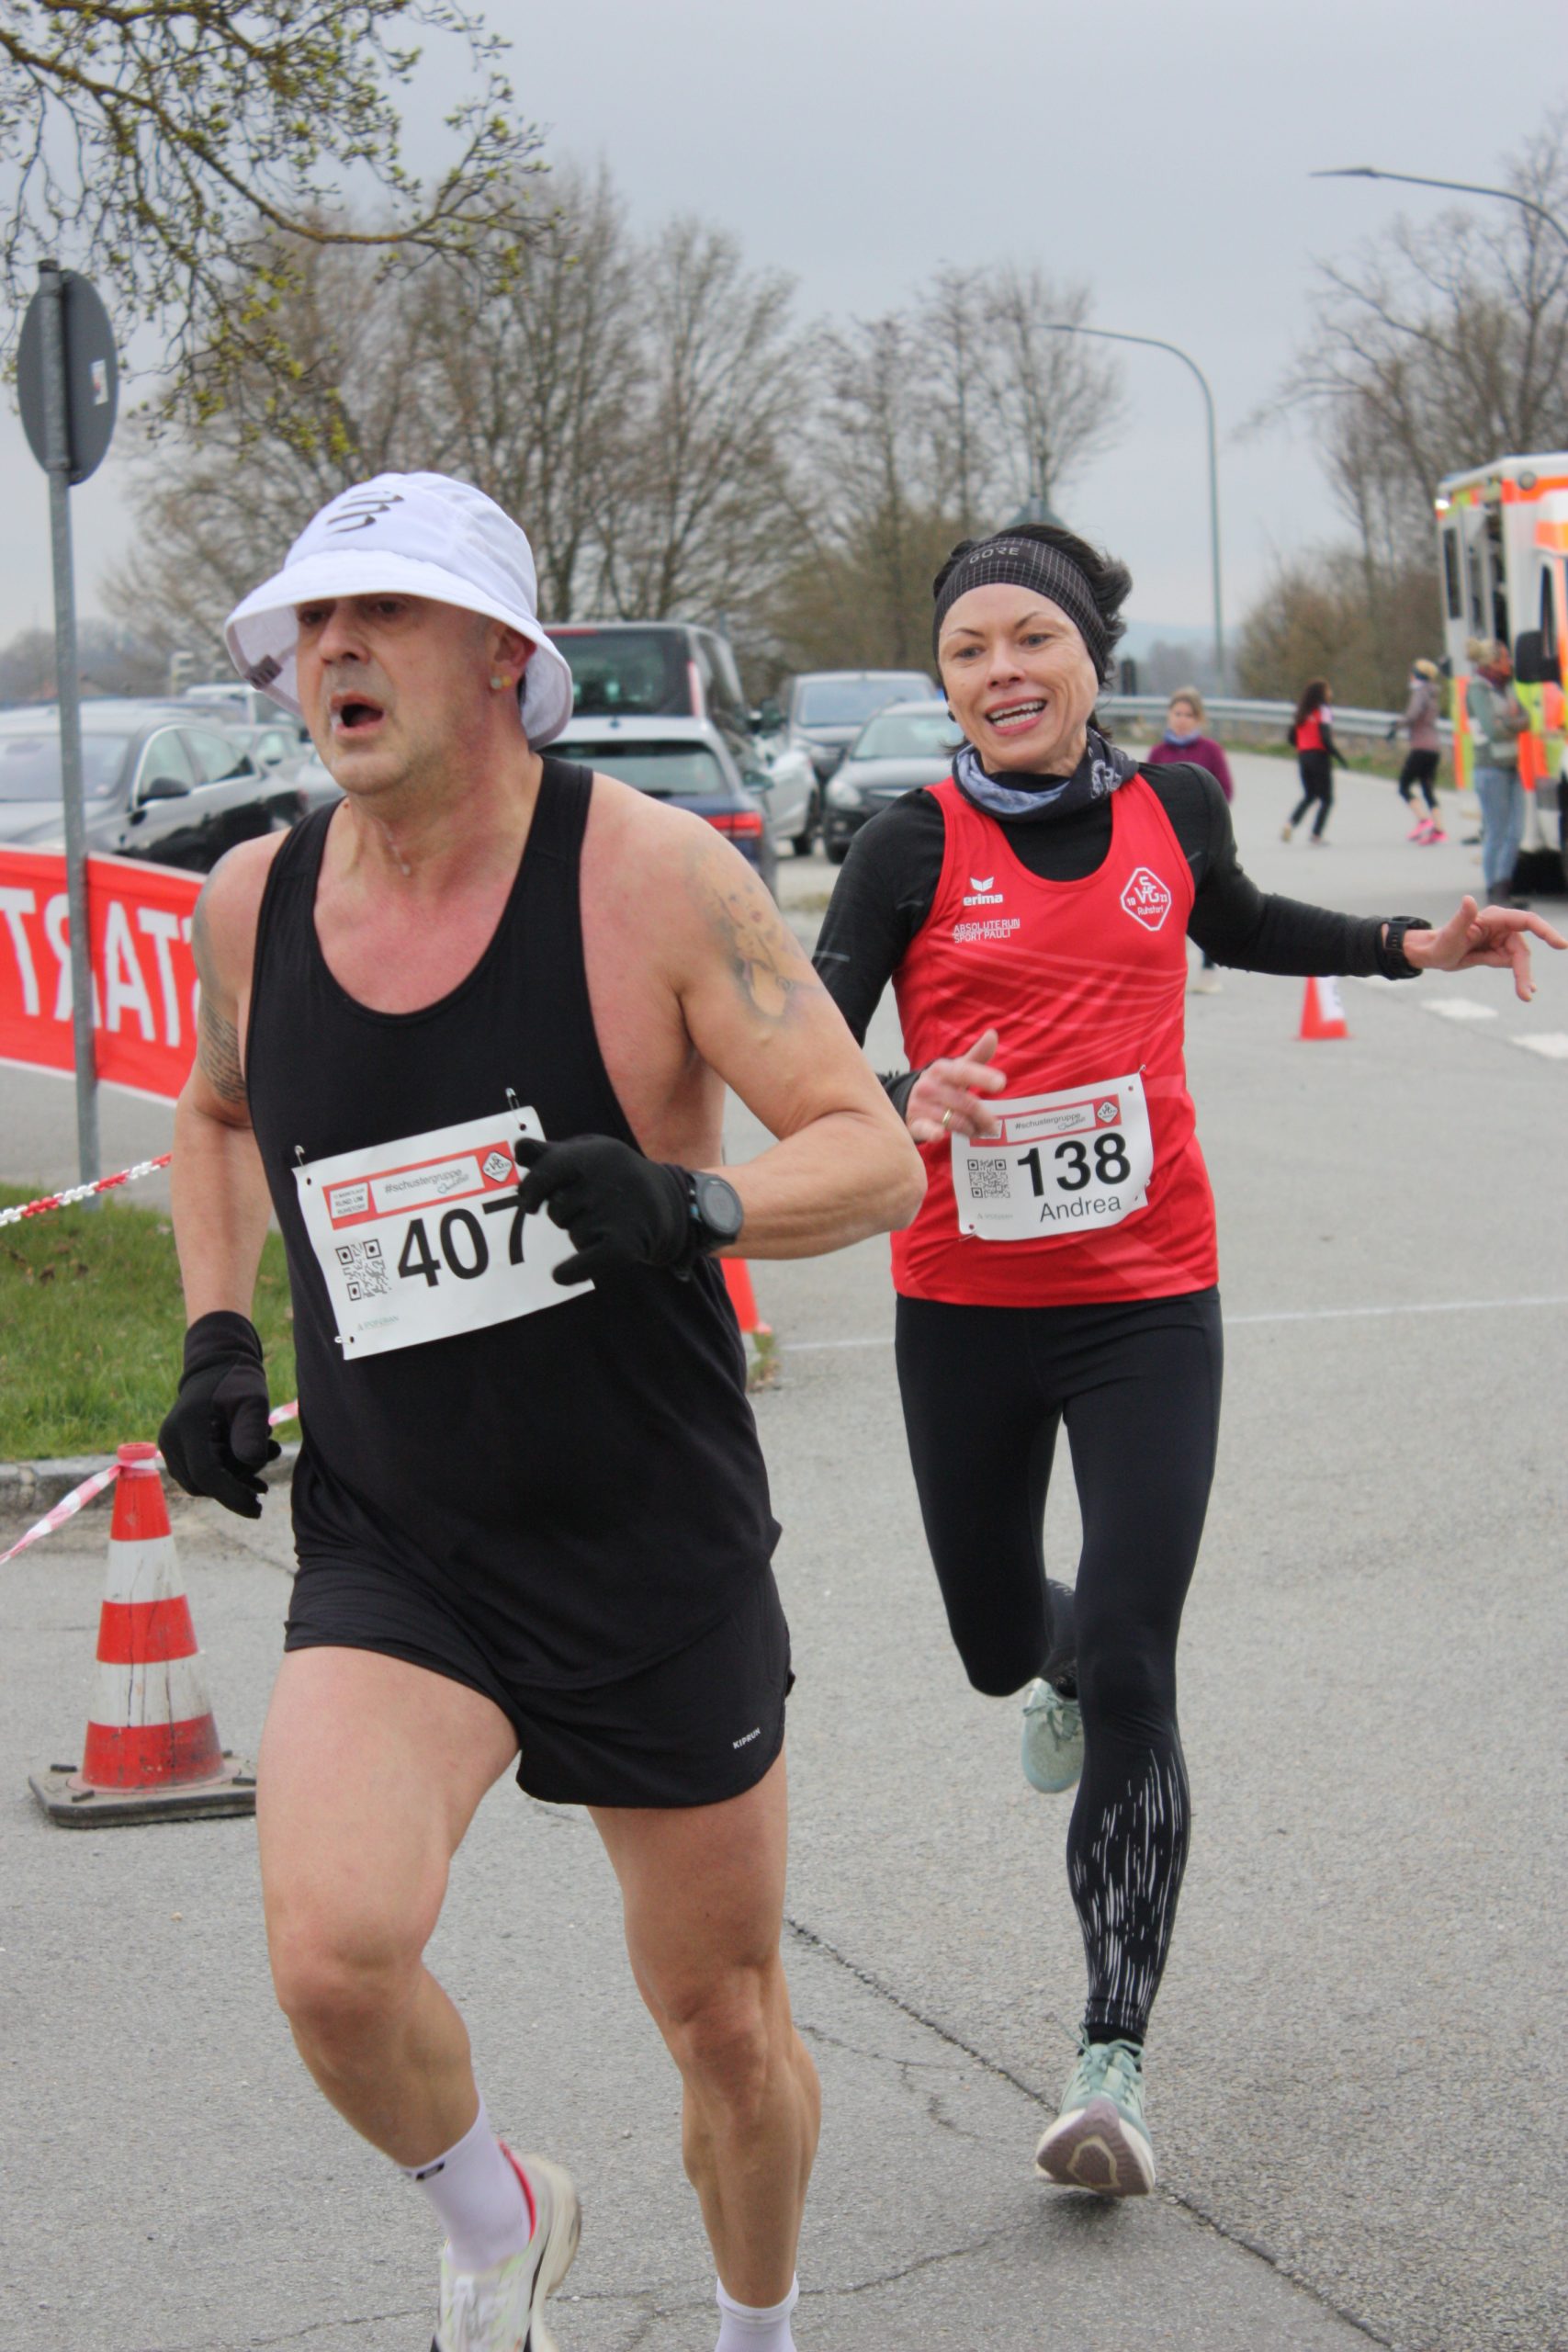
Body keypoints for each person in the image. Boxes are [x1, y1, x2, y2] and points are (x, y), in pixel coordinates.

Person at [156, 472, 924, 2352]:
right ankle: (497, 2220)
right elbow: (217, 1112)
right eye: (313, 624)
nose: (335, 651)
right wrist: (214, 1336)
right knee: (334, 1961)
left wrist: (694, 1204)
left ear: (502, 654)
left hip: (644, 1543)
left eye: (384, 615)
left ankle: (755, 2325)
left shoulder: (652, 877)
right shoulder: (254, 901)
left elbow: (872, 1150)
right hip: (400, 1544)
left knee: (722, 2025)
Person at [811, 519, 1563, 2200]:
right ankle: (1056, 1660)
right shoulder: (903, 847)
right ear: (947, 682)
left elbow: (1235, 920)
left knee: (1140, 1655)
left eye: (1031, 639)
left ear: (1090, 659)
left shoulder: (1174, 804)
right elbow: (803, 1051)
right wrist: (900, 1097)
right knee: (1000, 1644)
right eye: (967, 651)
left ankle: (1109, 2059)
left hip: (1148, 1299)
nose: (1001, 671)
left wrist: (1408, 947)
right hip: (962, 1305)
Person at [1145, 686, 1233, 991]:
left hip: (1203, 840)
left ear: (1198, 719)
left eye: (1188, 715)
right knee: (1171, 907)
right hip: (1167, 842)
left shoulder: (1210, 751)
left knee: (1205, 905)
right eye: (1177, 713)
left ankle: (1209, 970)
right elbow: (1145, 794)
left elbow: (1225, 791)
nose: (1182, 720)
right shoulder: (1158, 753)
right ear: (1169, 715)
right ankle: (1171, 974)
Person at [1465, 637, 1529, 906]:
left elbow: (1527, 718)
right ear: (1492, 662)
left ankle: (1504, 886)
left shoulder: (1507, 688)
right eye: (1505, 658)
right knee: (1497, 831)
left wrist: (1507, 722)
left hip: (1512, 766)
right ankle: (1494, 890)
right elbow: (1492, 730)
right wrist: (1512, 723)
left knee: (1516, 830)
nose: (1509, 662)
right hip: (1490, 769)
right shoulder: (1478, 690)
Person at [1282, 679, 1348, 844]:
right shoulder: (1324, 711)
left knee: (1310, 795)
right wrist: (1338, 756)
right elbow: (1325, 737)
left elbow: (1291, 737)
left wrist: (1303, 746)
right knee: (1327, 798)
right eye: (1328, 690)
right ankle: (1316, 834)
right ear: (1322, 693)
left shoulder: (1302, 711)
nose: (1331, 693)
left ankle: (1290, 823)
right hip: (1319, 757)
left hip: (1303, 757)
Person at [1389, 658, 1446, 842]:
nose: (1410, 676)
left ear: (1417, 675)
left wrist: (1397, 725)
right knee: (1428, 788)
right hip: (1434, 747)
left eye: (1412, 673)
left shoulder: (1419, 693)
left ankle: (1423, 821)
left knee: (1404, 786)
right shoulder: (1433, 694)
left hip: (1420, 747)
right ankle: (1439, 829)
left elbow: (1412, 715)